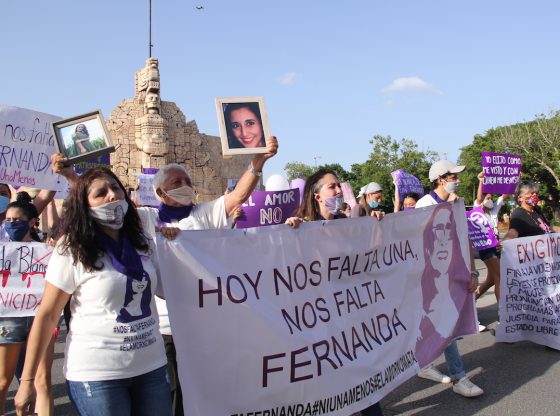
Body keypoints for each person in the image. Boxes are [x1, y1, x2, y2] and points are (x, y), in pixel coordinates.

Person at [14, 167, 172, 416]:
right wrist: (27, 381)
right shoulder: (72, 248)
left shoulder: (142, 241)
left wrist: (180, 241)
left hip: (151, 368)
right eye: (101, 193)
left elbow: (171, 288)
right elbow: (47, 314)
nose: (113, 196)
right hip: (99, 376)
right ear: (84, 205)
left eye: (116, 189)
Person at [285, 169, 384, 416]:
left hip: (351, 321)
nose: (339, 190)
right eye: (332, 187)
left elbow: (370, 258)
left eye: (338, 185)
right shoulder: (302, 228)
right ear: (317, 196)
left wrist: (380, 226)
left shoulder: (347, 225)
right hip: (321, 326)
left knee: (366, 385)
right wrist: (289, 236)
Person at [414, 160, 483, 398]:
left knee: (443, 323)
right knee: (446, 324)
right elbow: (416, 240)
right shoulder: (425, 204)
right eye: (453, 176)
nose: (458, 180)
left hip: (452, 274)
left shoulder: (457, 203)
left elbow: (465, 238)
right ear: (441, 179)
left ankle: (424, 364)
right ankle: (459, 377)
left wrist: (473, 271)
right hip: (430, 278)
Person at [0, 193, 56, 416]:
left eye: (17, 220)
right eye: (8, 220)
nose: (11, 224)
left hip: (40, 318)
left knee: (42, 381)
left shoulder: (46, 250)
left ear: (32, 222)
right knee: (3, 381)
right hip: (9, 318)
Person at [472, 172, 508, 301]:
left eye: (491, 198)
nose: (490, 200)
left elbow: (505, 195)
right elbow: (479, 197)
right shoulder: (478, 210)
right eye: (487, 198)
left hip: (496, 247)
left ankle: (470, 301)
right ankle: (502, 311)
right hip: (487, 248)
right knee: (500, 277)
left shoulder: (494, 212)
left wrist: (514, 179)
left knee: (492, 280)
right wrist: (481, 180)